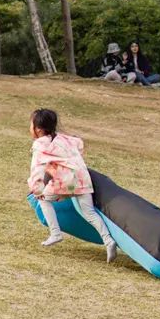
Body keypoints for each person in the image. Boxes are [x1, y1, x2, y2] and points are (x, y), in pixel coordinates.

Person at [27, 107, 118, 261]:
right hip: (82, 177)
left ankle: (55, 233)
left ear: (38, 128)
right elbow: (80, 146)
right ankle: (109, 241)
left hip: (65, 180)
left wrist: (37, 188)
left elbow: (37, 168)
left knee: (43, 200)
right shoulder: (67, 139)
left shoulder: (41, 144)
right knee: (89, 212)